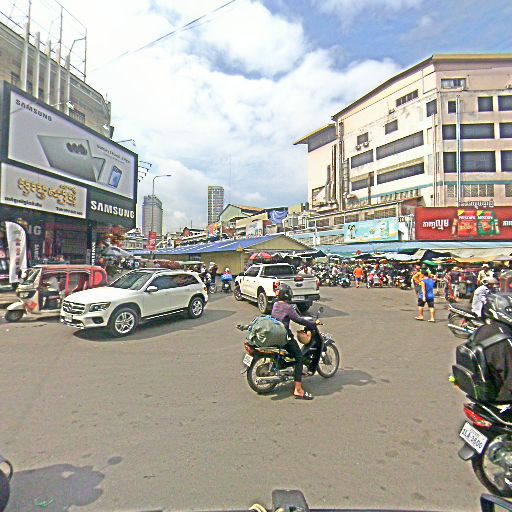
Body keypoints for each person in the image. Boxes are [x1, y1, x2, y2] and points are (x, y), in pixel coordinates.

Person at [271, 284, 320, 400]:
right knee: (299, 357)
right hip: (284, 337)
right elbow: (298, 319)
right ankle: (298, 389)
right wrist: (312, 324)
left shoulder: (276, 304)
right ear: (287, 294)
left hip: (275, 334)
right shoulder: (288, 307)